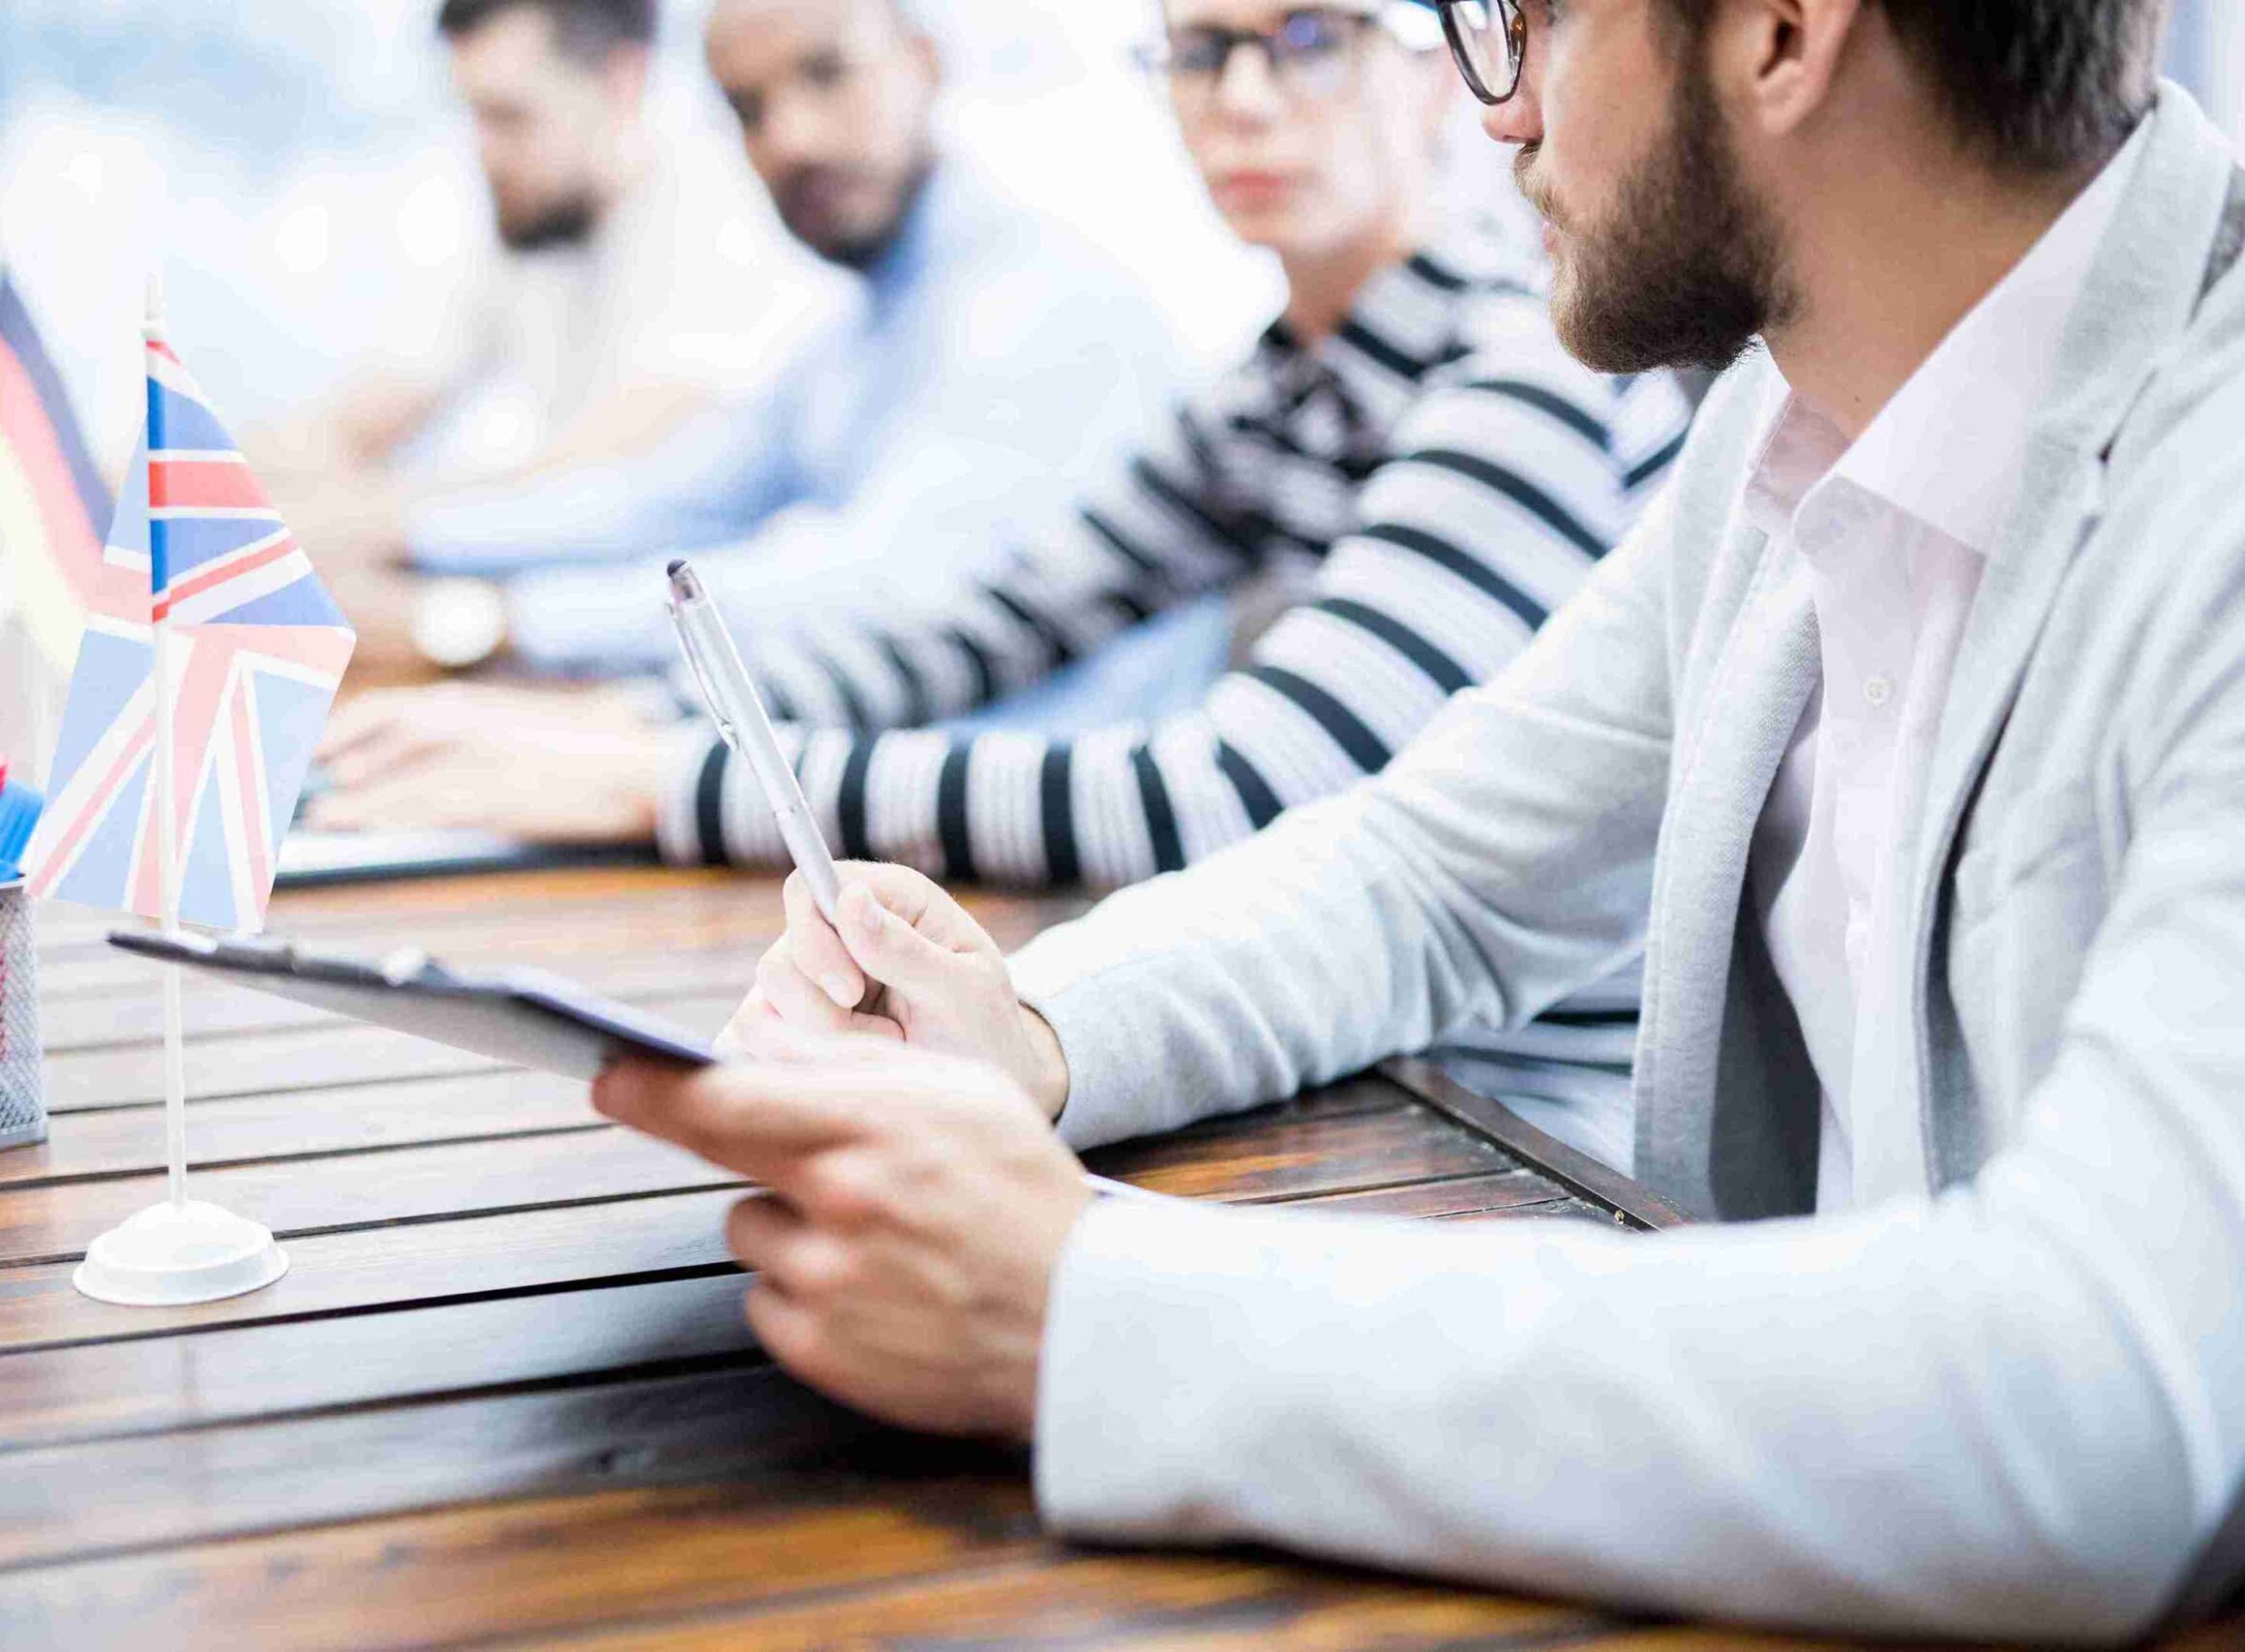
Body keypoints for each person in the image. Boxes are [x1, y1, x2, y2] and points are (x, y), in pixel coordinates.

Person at [592, 0, 2245, 1639]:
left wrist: (1087, 1314)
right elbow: (1428, 871)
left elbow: (2098, 1394)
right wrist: (1024, 1033)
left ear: (1780, 35)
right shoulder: (1784, 424)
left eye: (1527, 22)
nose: (1496, 114)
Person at [315, 0, 1690, 1152]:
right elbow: (973, 631)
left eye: (1312, 35)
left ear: (1438, 65)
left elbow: (1227, 789)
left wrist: (655, 781)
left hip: (1507, 1125)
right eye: (1204, 52)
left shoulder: (1517, 369)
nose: (1250, 98)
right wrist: (630, 725)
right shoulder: (1279, 388)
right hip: (1346, 1061)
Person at [386, 0, 1198, 706]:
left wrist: (484, 625)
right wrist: (402, 540)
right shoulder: (854, 336)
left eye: (826, 73)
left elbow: (871, 586)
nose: (792, 138)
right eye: (748, 109)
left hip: (1033, 845)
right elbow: (665, 500)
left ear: (925, 62)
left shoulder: (1039, 304)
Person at [256, 0, 831, 526]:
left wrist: (351, 516)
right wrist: (198, 479)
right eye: (474, 116)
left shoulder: (721, 214)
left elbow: (601, 469)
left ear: (620, 81)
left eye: (509, 117)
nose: (484, 150)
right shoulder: (535, 224)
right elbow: (366, 416)